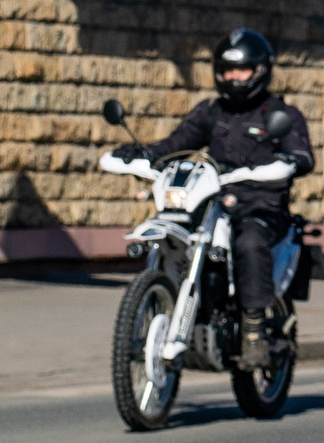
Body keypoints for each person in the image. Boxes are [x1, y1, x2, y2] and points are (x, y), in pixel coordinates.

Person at [117, 29, 313, 369]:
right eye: (226, 70)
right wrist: (143, 153)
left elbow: (300, 152)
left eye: (242, 70)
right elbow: (178, 143)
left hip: (259, 206)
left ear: (261, 70)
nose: (233, 77)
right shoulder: (211, 111)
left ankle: (253, 330)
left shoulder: (280, 114)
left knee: (249, 242)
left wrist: (292, 159)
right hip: (213, 203)